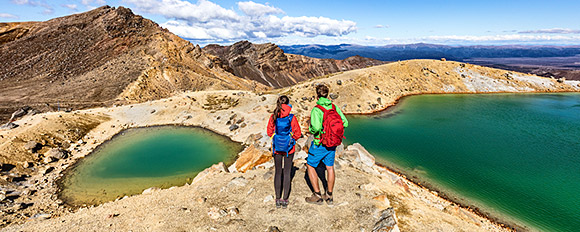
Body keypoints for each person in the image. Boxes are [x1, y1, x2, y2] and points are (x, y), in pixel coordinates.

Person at [305, 84, 348, 205]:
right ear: (327, 94)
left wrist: (312, 130)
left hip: (320, 143)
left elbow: (316, 128)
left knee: (310, 165)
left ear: (317, 95)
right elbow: (345, 123)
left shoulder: (316, 109)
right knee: (330, 167)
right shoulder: (334, 107)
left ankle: (317, 195)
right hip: (333, 143)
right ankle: (329, 196)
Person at [267, 95, 301, 209]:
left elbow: (269, 131)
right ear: (288, 104)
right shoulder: (292, 117)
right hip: (289, 148)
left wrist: (276, 137)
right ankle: (285, 199)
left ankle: (277, 198)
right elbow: (298, 133)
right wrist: (291, 140)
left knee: (278, 172)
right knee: (287, 172)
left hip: (277, 148)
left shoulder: (274, 116)